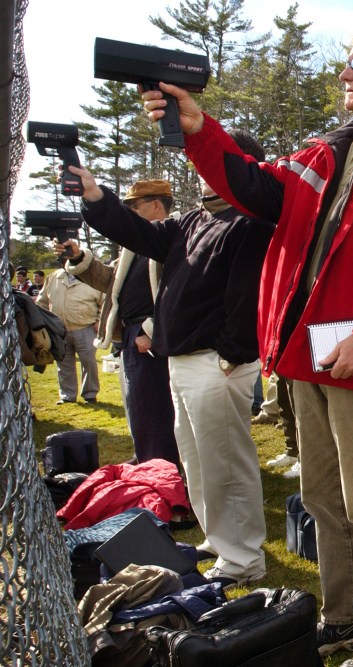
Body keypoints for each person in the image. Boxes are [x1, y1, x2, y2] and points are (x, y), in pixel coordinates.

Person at [137, 23, 353, 666]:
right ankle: (345, 616)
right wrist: (198, 126)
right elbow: (250, 184)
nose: (344, 72)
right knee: (322, 498)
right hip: (308, 359)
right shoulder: (324, 154)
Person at [73, 131, 272, 594]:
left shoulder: (251, 221)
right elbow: (137, 232)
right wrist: (95, 196)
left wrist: (229, 355)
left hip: (215, 363)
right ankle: (220, 540)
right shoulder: (195, 220)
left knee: (226, 464)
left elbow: (247, 299)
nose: (201, 168)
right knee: (198, 462)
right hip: (182, 362)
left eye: (213, 160)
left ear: (239, 166)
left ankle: (244, 558)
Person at [59, 179, 179, 465]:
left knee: (156, 408)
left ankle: (161, 468)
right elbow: (108, 283)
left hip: (153, 336)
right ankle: (148, 459)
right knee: (137, 406)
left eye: (134, 206)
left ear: (156, 205)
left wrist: (153, 330)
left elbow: (181, 291)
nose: (130, 212)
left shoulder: (176, 236)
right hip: (131, 335)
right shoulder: (132, 246)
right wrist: (78, 257)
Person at [36, 262, 104, 404]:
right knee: (64, 364)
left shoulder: (92, 278)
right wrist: (45, 323)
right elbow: (41, 302)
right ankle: (67, 396)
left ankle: (90, 394)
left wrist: (99, 320)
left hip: (86, 327)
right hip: (59, 330)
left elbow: (104, 302)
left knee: (89, 362)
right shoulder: (53, 277)